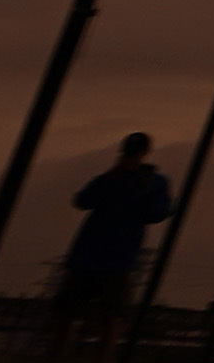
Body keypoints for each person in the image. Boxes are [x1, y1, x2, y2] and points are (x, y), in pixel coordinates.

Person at [50, 133, 172, 322]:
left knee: (110, 316)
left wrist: (143, 188)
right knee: (72, 313)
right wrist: (111, 177)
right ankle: (64, 351)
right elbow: (83, 200)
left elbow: (157, 213)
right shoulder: (110, 179)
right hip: (96, 255)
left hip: (112, 257)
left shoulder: (154, 182)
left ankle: (81, 350)